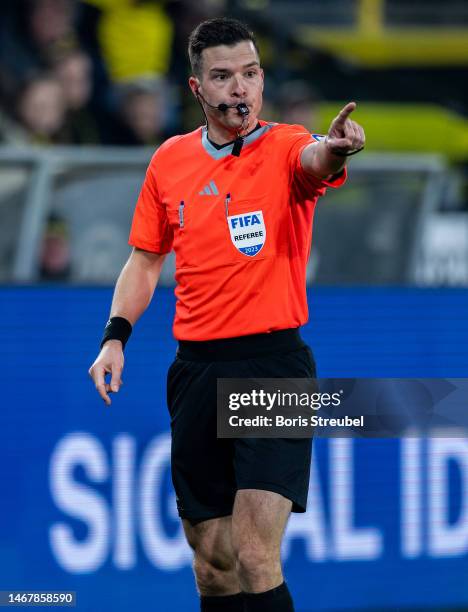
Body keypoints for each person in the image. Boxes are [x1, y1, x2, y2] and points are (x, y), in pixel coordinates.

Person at [88, 17, 365, 612]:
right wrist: (115, 338)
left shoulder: (288, 144)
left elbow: (316, 161)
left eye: (249, 74)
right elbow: (144, 261)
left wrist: (334, 149)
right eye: (222, 77)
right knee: (212, 563)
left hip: (273, 368)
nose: (239, 88)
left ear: (262, 80)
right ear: (197, 89)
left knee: (254, 552)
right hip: (196, 371)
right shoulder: (169, 161)